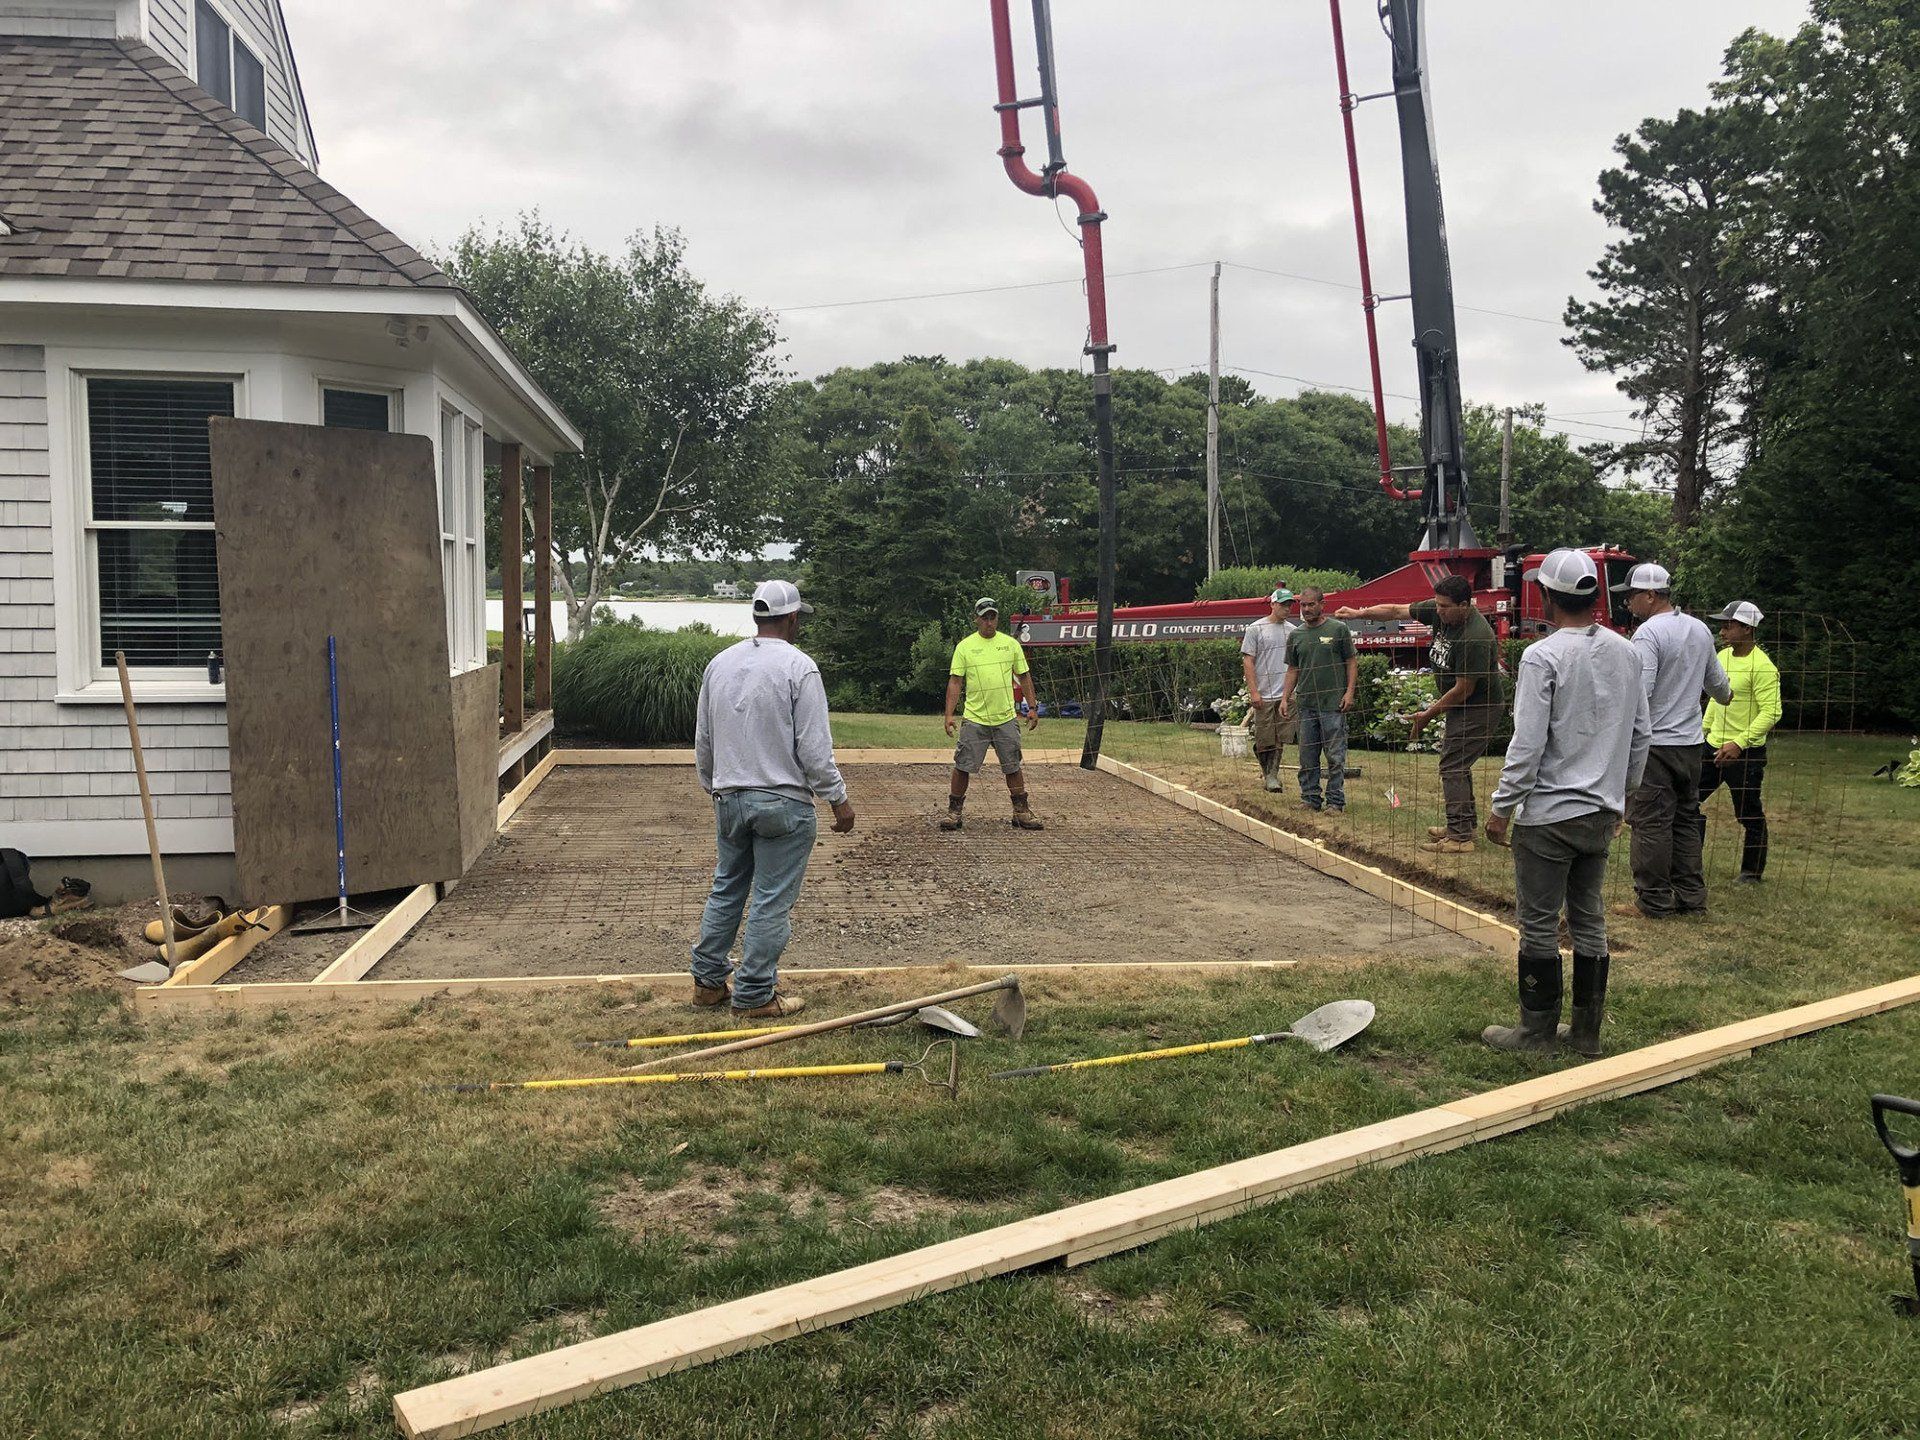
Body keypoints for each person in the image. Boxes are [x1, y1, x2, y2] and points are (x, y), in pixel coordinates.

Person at [1483, 549, 1650, 1057]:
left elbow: (1528, 744)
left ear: (1548, 596)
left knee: (1537, 922)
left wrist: (1501, 806)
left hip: (1550, 816)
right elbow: (1641, 734)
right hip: (1601, 811)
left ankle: (1535, 1033)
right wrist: (1623, 798)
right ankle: (1586, 1034)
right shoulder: (1627, 652)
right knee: (1589, 919)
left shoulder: (1543, 655)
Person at [689, 580, 855, 1020]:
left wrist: (715, 785)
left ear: (757, 616)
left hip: (729, 796)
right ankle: (755, 994)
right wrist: (838, 799)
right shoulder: (800, 668)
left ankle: (707, 983)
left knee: (727, 887)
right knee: (771, 898)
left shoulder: (720, 664)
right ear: (793, 618)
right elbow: (815, 751)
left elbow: (704, 739)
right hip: (784, 803)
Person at [1336, 574, 1504, 852]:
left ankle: (1460, 838)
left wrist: (1428, 714)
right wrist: (1359, 613)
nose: (1438, 611)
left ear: (1465, 605)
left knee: (1453, 765)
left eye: (1444, 607)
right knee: (1455, 762)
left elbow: (1464, 689)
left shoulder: (1475, 636)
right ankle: (1462, 826)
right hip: (1461, 705)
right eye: (1437, 605)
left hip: (1479, 708)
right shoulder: (1443, 612)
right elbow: (1395, 610)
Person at [1614, 563, 1732, 917]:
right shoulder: (1699, 629)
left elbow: (1641, 694)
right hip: (1691, 745)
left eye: (1632, 596)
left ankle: (1652, 901)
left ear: (1650, 595)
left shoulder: (1648, 634)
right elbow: (1721, 689)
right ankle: (1691, 898)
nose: (1629, 604)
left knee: (1650, 823)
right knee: (1685, 819)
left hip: (1656, 746)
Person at [1691, 600, 1781, 884]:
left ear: (1747, 628)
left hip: (1745, 754)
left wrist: (1740, 743)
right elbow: (1717, 700)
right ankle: (1690, 862)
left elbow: (1772, 711)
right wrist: (1703, 732)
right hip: (1711, 747)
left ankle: (1751, 872)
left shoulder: (1763, 667)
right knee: (1688, 801)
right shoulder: (1721, 657)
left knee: (1748, 812)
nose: (1723, 630)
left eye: (1728, 625)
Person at [941, 597, 1043, 832]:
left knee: (1012, 766)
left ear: (997, 618)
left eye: (992, 617)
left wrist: (1032, 707)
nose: (989, 622)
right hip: (974, 719)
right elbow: (955, 681)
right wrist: (949, 715)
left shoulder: (1010, 645)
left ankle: (1021, 812)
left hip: (1006, 718)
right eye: (984, 617)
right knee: (963, 765)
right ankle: (954, 812)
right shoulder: (965, 647)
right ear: (976, 619)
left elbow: (1024, 676)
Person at [1279, 587, 1358, 813]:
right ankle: (1310, 798)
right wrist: (1285, 698)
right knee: (1307, 755)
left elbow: (1351, 662)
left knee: (1335, 755)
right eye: (1303, 605)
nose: (1306, 609)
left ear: (1322, 604)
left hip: (1333, 704)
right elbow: (1293, 669)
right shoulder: (1296, 635)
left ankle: (1335, 801)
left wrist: (1349, 692)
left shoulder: (1338, 629)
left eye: (1311, 604)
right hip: (1306, 705)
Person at [1239, 587, 1297, 793]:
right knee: (1264, 739)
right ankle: (1266, 767)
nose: (1287, 609)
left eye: (1290, 605)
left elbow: (1295, 663)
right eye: (1283, 605)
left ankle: (1272, 775)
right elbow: (1248, 661)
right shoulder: (1256, 629)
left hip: (1286, 694)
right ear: (1272, 604)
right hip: (1264, 692)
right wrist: (1254, 691)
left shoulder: (1292, 630)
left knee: (1281, 737)